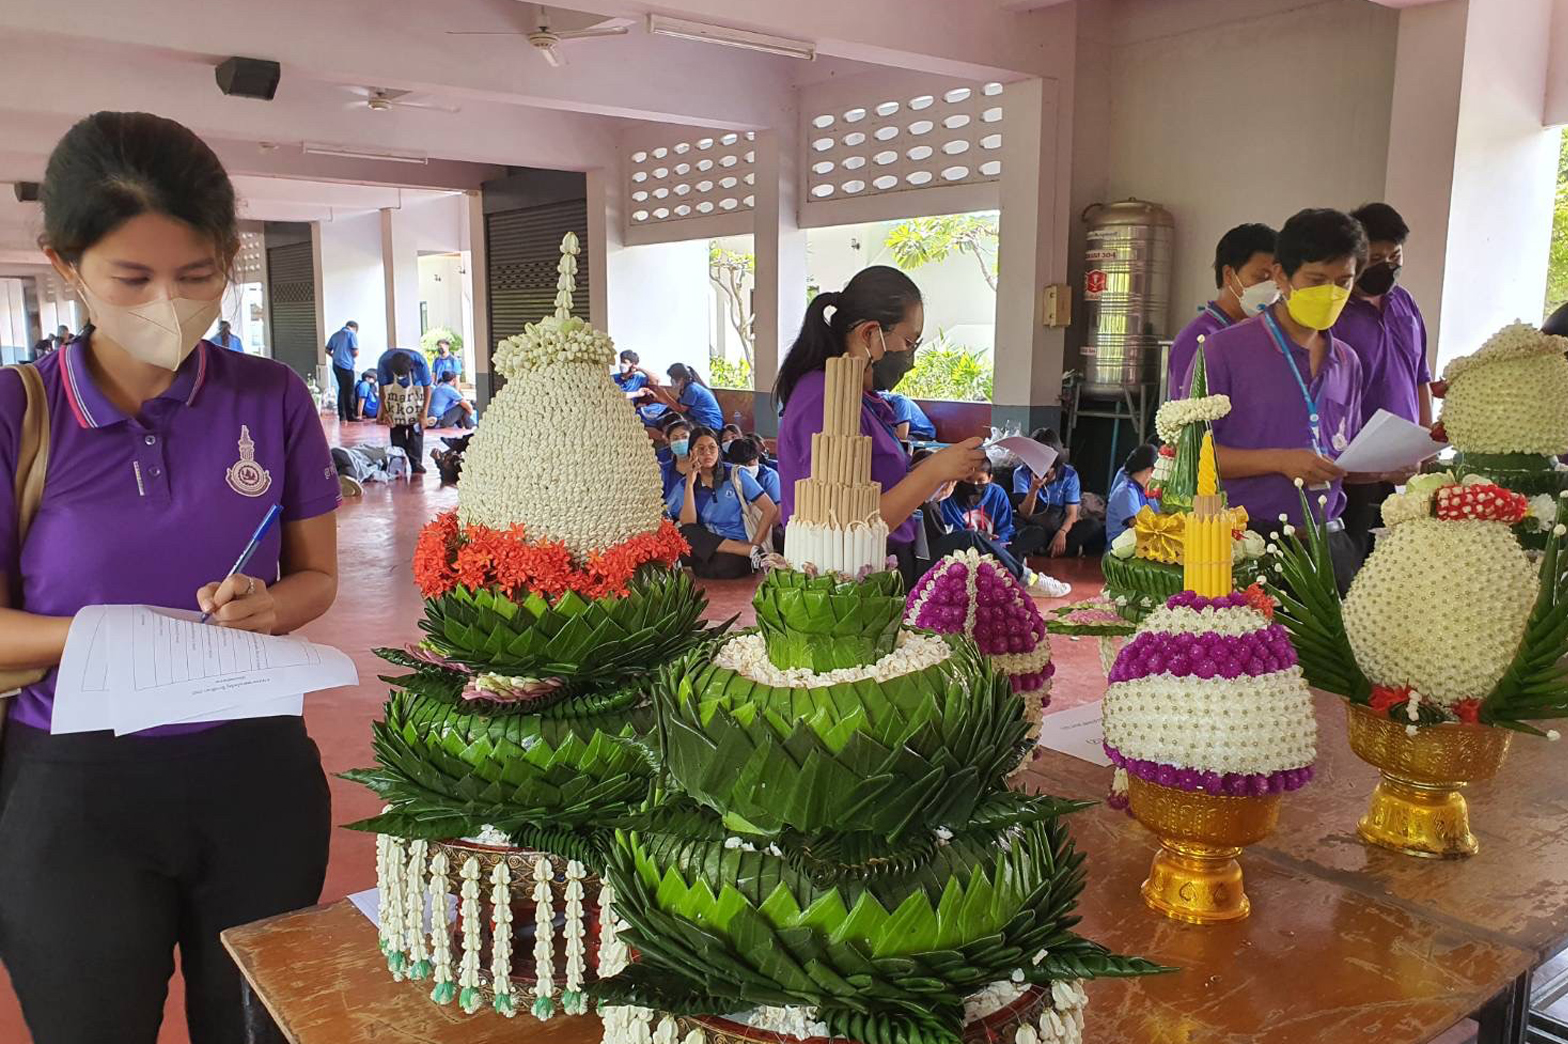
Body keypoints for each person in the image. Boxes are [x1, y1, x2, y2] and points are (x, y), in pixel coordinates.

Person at [0, 111, 339, 1044]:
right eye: (132, 277)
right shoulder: (18, 414)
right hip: (75, 790)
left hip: (255, 776)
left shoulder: (270, 396)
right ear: (65, 264)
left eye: (197, 276)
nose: (168, 303)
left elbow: (315, 577)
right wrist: (110, 634)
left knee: (261, 1028)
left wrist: (271, 605)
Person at [775, 265, 986, 587]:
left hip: (873, 569)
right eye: (909, 342)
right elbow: (847, 523)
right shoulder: (824, 398)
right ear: (869, 333)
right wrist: (933, 472)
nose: (911, 358)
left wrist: (928, 474)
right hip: (840, 585)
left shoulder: (860, 398)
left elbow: (871, 489)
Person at [1193, 207, 1366, 592]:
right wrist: (1280, 461)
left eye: (1344, 281)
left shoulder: (1348, 362)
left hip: (1329, 543)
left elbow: (1340, 448)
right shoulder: (1223, 352)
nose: (1331, 294)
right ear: (1281, 276)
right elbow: (1188, 458)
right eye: (1317, 280)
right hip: (1250, 545)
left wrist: (1384, 464)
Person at [1333, 202, 1432, 562]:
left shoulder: (1405, 303)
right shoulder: (1334, 313)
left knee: (1400, 567)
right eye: (1376, 258)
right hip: (1353, 471)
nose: (1387, 266)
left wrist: (1426, 440)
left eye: (1395, 257)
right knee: (1356, 566)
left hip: (1406, 467)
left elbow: (1420, 375)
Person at [1168, 223, 1277, 399]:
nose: (1271, 288)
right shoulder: (1199, 338)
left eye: (1276, 279)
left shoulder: (1260, 333)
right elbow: (1194, 419)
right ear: (1228, 274)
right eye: (1262, 277)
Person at [669, 426, 779, 578]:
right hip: (706, 542)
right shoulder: (685, 484)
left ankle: (750, 551)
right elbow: (689, 524)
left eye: (712, 447)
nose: (707, 453)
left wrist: (755, 543)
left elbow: (770, 509)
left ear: (719, 451)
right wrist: (689, 483)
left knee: (721, 566)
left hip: (738, 540)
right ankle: (745, 552)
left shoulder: (736, 474)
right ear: (691, 453)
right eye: (700, 449)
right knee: (685, 535)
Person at [1012, 428, 1103, 561]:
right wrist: (1034, 489)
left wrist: (1062, 532)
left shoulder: (1070, 475)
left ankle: (1044, 549)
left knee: (1092, 525)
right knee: (1026, 531)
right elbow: (1025, 512)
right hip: (1034, 523)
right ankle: (1059, 550)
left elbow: (1072, 513)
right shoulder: (1021, 473)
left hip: (1059, 523)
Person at [379, 348, 432, 475]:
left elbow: (427, 388)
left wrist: (424, 412)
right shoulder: (383, 363)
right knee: (396, 430)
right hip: (395, 400)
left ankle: (416, 463)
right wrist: (385, 412)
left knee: (417, 429)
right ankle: (398, 462)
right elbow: (382, 389)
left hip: (415, 397)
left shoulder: (421, 363)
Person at [1104, 444, 1160, 544]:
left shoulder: (1144, 489)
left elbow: (1158, 517)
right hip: (1121, 551)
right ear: (1151, 470)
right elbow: (1138, 526)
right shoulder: (1125, 491)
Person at [652, 362, 725, 430]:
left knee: (677, 427)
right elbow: (676, 404)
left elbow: (680, 409)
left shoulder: (692, 389)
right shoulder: (686, 389)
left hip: (709, 424)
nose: (672, 381)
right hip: (700, 420)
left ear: (681, 378)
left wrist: (664, 395)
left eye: (673, 378)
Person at [614, 349, 669, 426]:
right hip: (614, 404)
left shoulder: (638, 379)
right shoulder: (613, 377)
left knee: (659, 407)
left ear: (633, 364)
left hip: (628, 408)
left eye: (625, 362)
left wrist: (639, 369)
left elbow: (656, 380)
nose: (621, 365)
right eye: (621, 361)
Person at [327, 319, 360, 421]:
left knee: (341, 389)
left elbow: (327, 349)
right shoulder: (351, 334)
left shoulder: (335, 335)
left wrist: (335, 356)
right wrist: (349, 356)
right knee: (349, 391)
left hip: (336, 365)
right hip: (347, 365)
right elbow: (355, 352)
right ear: (354, 328)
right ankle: (351, 415)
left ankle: (342, 415)